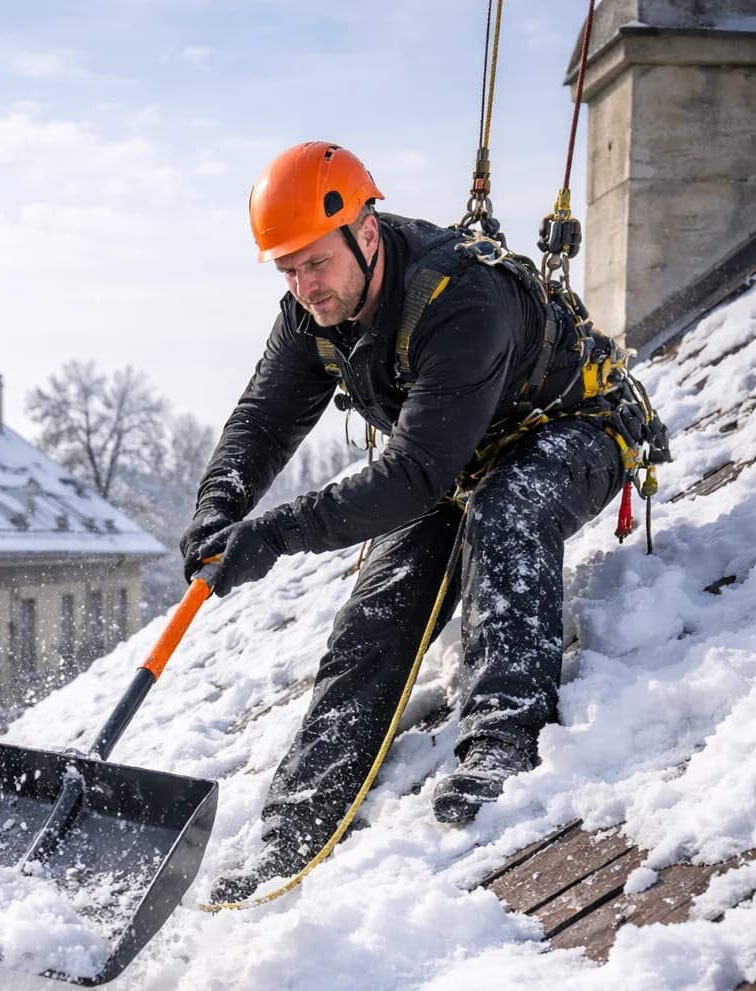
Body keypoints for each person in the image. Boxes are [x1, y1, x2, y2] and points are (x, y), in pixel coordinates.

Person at [180, 141, 663, 903]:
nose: (305, 287)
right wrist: (221, 507)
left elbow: (415, 476)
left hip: (573, 427)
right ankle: (293, 825)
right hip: (459, 449)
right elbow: (263, 419)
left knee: (507, 513)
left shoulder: (462, 299)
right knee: (376, 611)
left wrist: (272, 535)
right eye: (288, 270)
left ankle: (502, 739)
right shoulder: (317, 309)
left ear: (365, 234)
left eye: (315, 264)